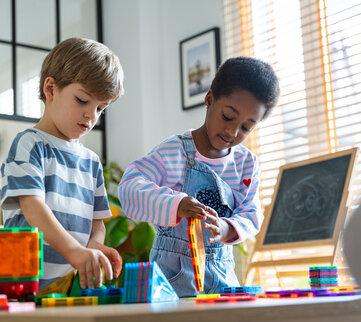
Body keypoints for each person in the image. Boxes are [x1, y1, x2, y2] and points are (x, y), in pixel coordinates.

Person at [118, 57, 280, 297]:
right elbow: (129, 186)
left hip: (223, 276)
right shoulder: (175, 152)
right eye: (227, 117)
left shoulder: (246, 165)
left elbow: (250, 213)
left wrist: (227, 228)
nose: (232, 132)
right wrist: (175, 203)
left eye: (246, 128)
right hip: (170, 279)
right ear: (209, 99)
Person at [0, 38, 124, 290]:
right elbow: (33, 208)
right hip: (24, 285)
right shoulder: (30, 144)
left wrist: (94, 245)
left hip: (70, 287)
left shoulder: (91, 162)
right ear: (51, 89)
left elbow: (96, 223)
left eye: (101, 108)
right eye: (82, 101)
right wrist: (75, 252)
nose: (92, 115)